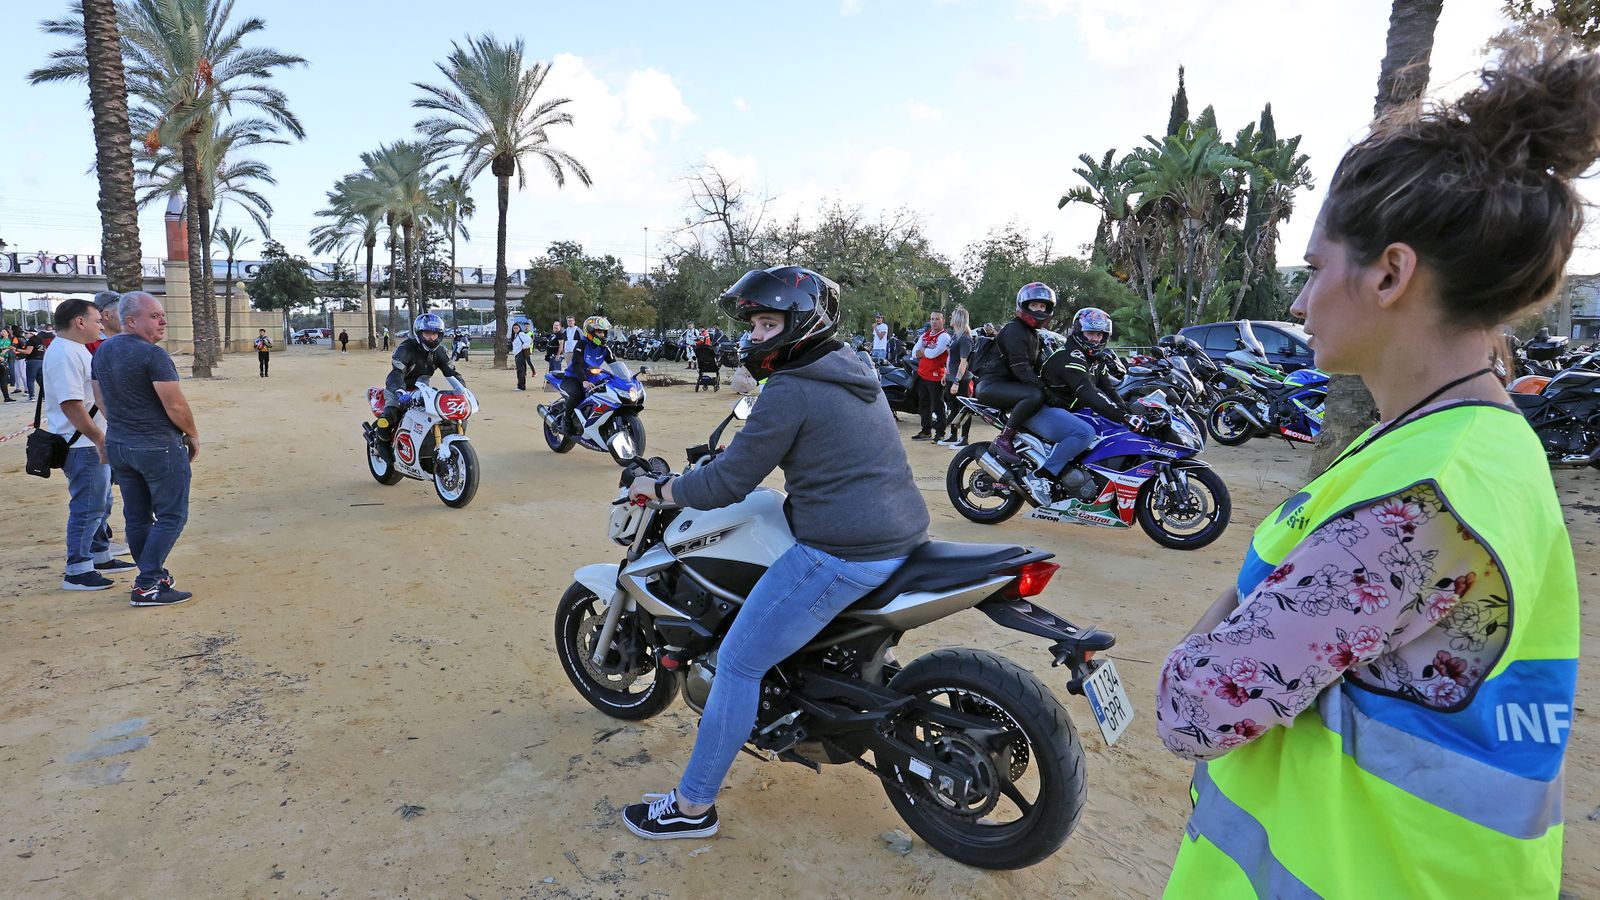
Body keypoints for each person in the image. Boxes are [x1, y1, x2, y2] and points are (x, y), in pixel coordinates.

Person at [1157, 31, 1588, 896]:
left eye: (1316, 269)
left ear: (1391, 274)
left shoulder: (1419, 505)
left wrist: (1232, 613)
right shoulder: (1471, 440)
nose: (1299, 300)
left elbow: (1193, 706)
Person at [620, 265, 927, 839]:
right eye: (755, 324)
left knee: (738, 662)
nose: (756, 335)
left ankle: (691, 808)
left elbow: (723, 485)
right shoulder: (855, 370)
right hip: (900, 535)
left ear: (802, 322)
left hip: (844, 551)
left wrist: (660, 490)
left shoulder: (791, 389)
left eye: (767, 323)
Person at [93, 291, 198, 607]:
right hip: (157, 447)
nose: (162, 320)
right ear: (130, 321)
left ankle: (154, 577)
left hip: (121, 445)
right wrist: (192, 434)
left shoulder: (103, 352)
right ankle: (147, 584)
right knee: (171, 515)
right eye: (154, 316)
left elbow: (101, 400)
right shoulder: (153, 356)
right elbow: (175, 404)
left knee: (137, 517)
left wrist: (125, 425)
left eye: (162, 314)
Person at [43, 298, 135, 591]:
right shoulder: (65, 354)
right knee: (87, 506)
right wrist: (98, 438)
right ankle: (78, 569)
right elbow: (72, 404)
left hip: (89, 440)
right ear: (79, 322)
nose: (101, 325)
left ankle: (99, 555)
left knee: (101, 501)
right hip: (82, 444)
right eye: (97, 320)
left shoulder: (74, 349)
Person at [1025, 307, 1146, 504]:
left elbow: (1109, 390)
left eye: (1100, 334)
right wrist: (1122, 416)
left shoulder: (1095, 358)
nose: (1096, 339)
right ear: (1079, 332)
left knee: (1110, 428)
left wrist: (1127, 413)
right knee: (1084, 433)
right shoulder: (1071, 356)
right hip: (1042, 410)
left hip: (1066, 410)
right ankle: (1042, 478)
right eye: (1090, 333)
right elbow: (1088, 392)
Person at [973, 283, 1054, 463]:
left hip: (1008, 385)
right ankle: (1004, 439)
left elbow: (1039, 365)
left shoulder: (1033, 334)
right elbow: (1020, 368)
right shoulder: (1014, 329)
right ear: (1024, 305)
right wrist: (1045, 390)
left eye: (1043, 306)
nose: (1039, 310)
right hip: (992, 385)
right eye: (1034, 305)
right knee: (1035, 394)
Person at [375, 313, 462, 446]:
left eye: (435, 333)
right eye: (427, 333)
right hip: (398, 389)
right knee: (391, 414)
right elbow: (396, 374)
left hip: (423, 391)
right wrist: (400, 392)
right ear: (419, 333)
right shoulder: (405, 349)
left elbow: (452, 373)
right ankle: (381, 444)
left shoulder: (440, 352)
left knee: (450, 415)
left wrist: (463, 392)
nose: (432, 337)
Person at [554, 316, 614, 435]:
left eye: (603, 332)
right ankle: (566, 421)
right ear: (590, 332)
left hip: (594, 378)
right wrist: (584, 381)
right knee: (577, 395)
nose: (602, 335)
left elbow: (615, 363)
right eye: (598, 332)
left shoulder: (605, 348)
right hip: (574, 377)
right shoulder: (582, 344)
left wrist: (627, 377)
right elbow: (577, 364)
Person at [937, 306, 976, 448]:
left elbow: (963, 362)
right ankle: (953, 436)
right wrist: (946, 374)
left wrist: (956, 381)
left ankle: (964, 439)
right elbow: (950, 358)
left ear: (958, 319)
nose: (950, 319)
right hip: (950, 377)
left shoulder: (965, 338)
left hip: (961, 380)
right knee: (953, 408)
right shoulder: (955, 336)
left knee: (964, 409)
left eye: (953, 316)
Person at [910, 309, 950, 441]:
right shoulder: (925, 335)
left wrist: (924, 351)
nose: (934, 321)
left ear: (943, 321)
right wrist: (925, 351)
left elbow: (934, 354)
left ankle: (940, 433)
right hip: (923, 374)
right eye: (932, 319)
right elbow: (914, 352)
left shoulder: (944, 336)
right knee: (923, 404)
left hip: (936, 376)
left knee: (938, 405)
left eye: (937, 319)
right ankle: (926, 430)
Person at [511, 323, 533, 390]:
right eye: (514, 328)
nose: (515, 329)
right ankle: (519, 385)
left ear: (519, 328)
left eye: (517, 328)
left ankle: (521, 386)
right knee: (519, 370)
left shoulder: (521, 334)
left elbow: (530, 340)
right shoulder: (515, 335)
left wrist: (524, 347)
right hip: (517, 354)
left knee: (521, 370)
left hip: (520, 354)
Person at [0, 326, 14, 403]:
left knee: (4, 379)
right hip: (1, 359)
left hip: (6, 359)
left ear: (8, 333)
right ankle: (6, 397)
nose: (2, 333)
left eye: (4, 331)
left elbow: (10, 348)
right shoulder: (0, 340)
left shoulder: (10, 340)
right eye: (1, 331)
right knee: (3, 379)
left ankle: (6, 397)